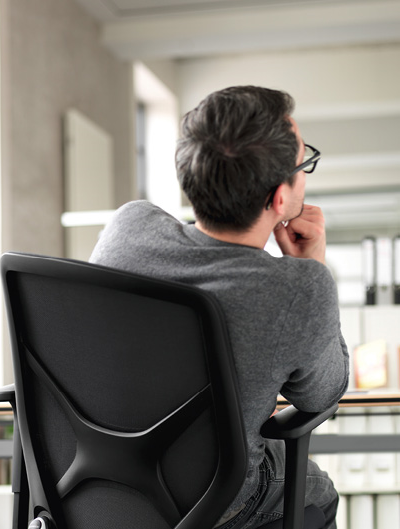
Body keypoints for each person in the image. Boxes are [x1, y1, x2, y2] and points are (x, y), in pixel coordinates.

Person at [90, 85, 349, 528]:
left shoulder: (128, 227)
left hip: (94, 482)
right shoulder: (296, 290)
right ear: (280, 198)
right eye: (303, 163)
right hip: (213, 501)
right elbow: (321, 394)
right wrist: (312, 266)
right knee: (317, 489)